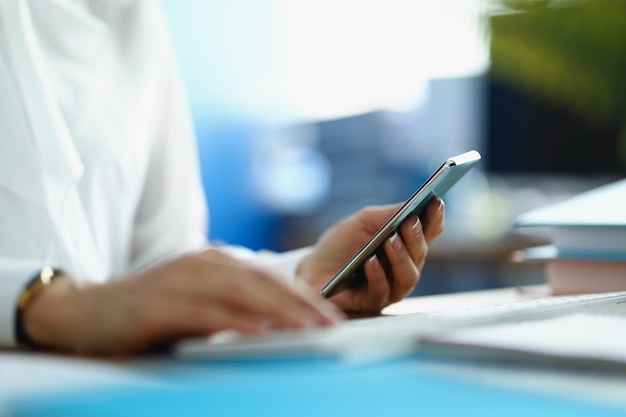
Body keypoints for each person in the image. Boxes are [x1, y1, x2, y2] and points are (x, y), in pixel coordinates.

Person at [0, 0, 444, 355]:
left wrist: (300, 278)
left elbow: (162, 264)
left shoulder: (133, 16)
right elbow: (107, 304)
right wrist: (59, 308)